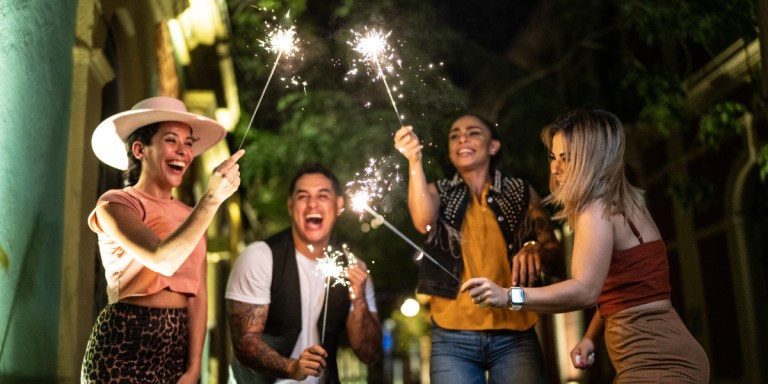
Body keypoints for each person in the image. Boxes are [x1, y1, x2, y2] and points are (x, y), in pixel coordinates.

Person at [461, 107, 710, 382]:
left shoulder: (594, 210)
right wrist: (591, 338)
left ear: (591, 159)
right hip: (668, 352)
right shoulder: (627, 202)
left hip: (656, 361)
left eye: (566, 158)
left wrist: (508, 296)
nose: (555, 168)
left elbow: (585, 291)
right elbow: (629, 292)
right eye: (553, 156)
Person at [81, 96, 244, 383]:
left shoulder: (193, 217)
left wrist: (194, 368)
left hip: (175, 348)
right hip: (124, 343)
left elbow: (198, 297)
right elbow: (163, 260)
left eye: (189, 143)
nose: (183, 151)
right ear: (140, 149)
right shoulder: (115, 204)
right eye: (171, 140)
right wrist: (212, 199)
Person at [393, 114, 565, 384]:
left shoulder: (520, 191)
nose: (462, 138)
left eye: (473, 132)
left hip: (515, 334)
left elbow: (556, 260)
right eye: (454, 135)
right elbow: (423, 221)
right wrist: (414, 160)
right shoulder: (437, 192)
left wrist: (534, 248)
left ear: (493, 146)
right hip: (451, 337)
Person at [226, 163, 382, 384]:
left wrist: (359, 300)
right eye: (303, 196)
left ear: (339, 205)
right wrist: (292, 368)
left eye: (323, 195)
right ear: (291, 206)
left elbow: (369, 354)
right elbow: (245, 344)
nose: (312, 204)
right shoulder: (259, 258)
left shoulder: (354, 267)